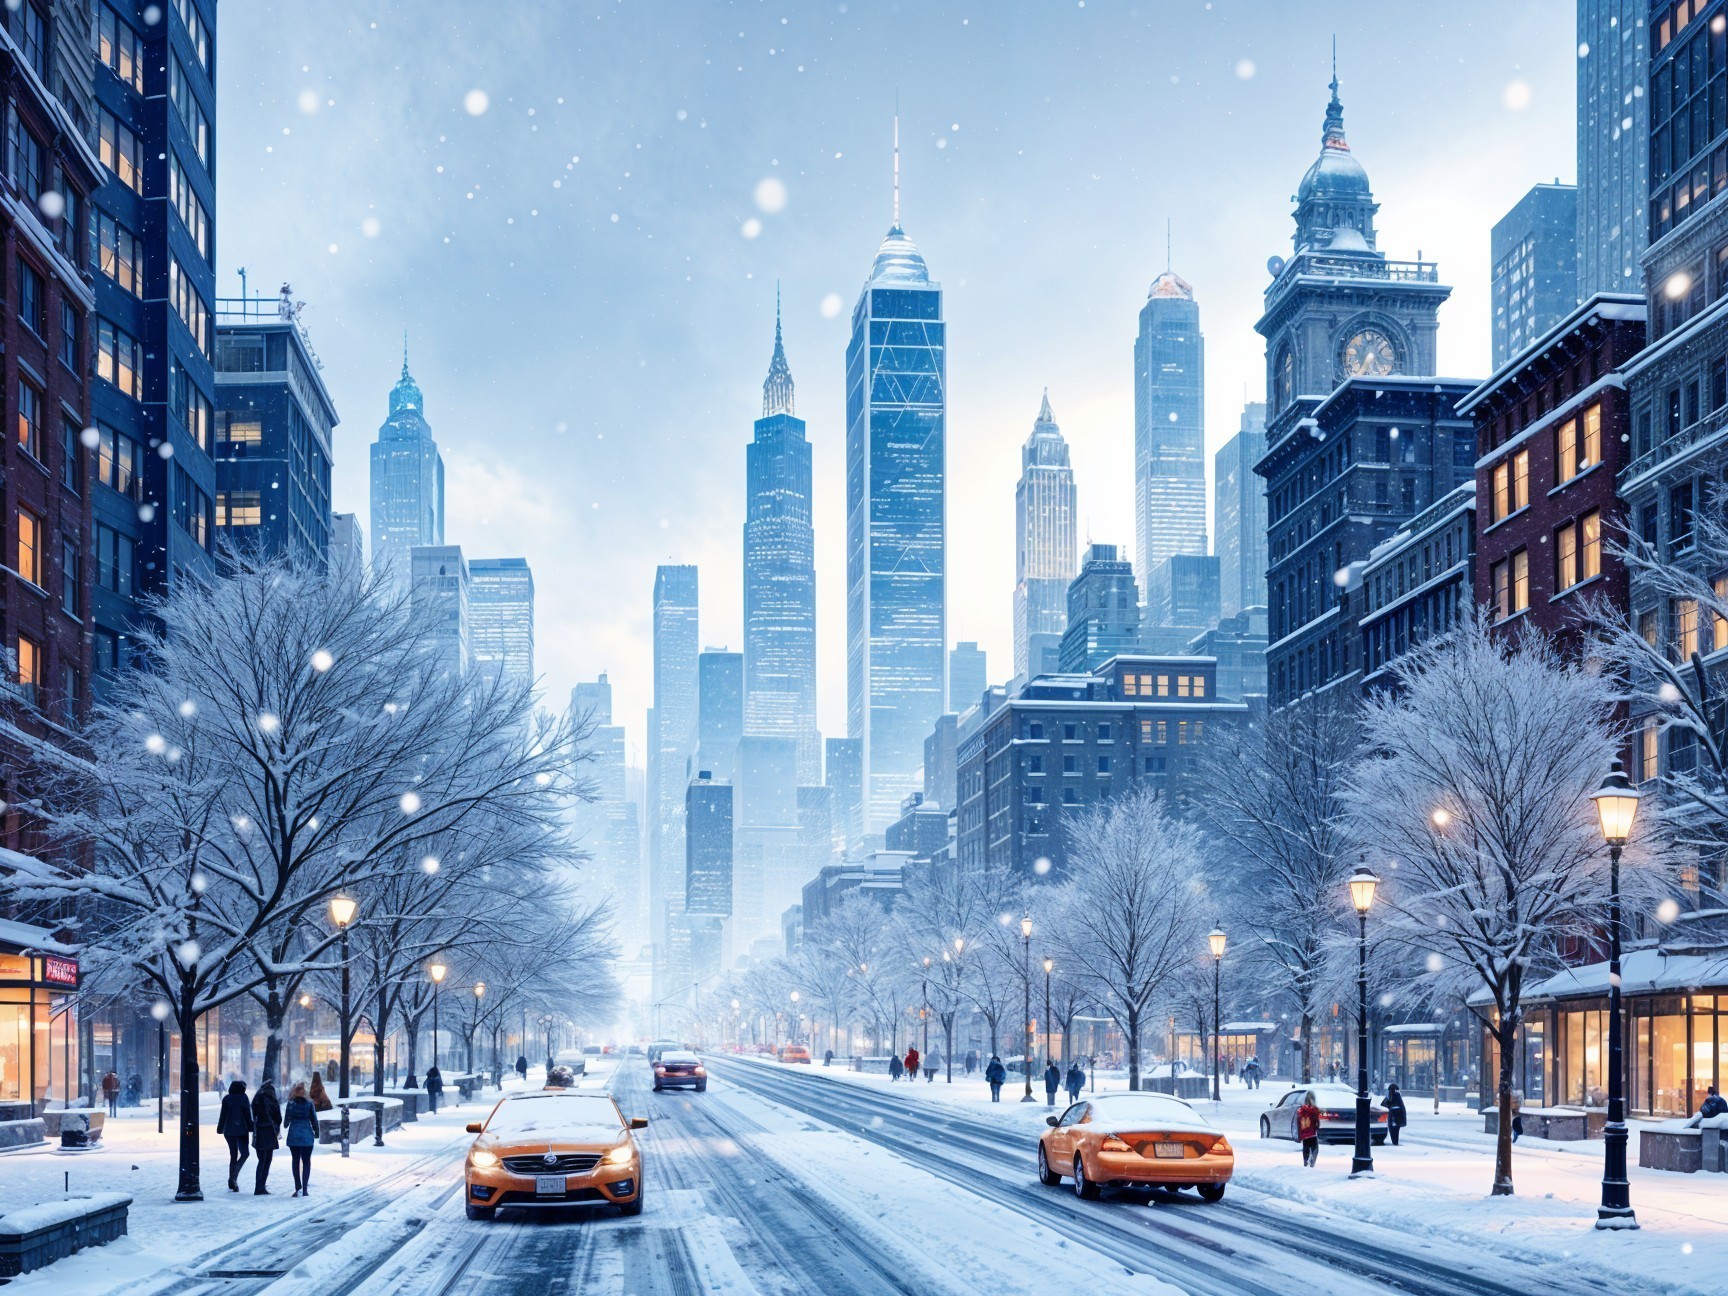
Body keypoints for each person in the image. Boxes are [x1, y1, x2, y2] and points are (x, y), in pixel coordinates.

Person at [283, 1082, 319, 1198]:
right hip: (307, 1135)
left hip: (294, 1136)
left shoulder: (291, 1104)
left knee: (295, 1161)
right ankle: (305, 1189)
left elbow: (286, 1123)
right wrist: (316, 1131)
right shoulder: (309, 1103)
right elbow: (314, 1119)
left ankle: (298, 1188)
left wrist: (290, 1119)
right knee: (306, 1161)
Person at [216, 1080, 253, 1192]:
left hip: (228, 1131)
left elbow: (223, 1115)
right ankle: (233, 1178)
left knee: (233, 1155)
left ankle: (232, 1179)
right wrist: (251, 1127)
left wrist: (220, 1128)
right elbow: (247, 1114)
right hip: (241, 1130)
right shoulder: (244, 1098)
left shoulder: (226, 1099)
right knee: (245, 1154)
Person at [251, 1078, 281, 1195]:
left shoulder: (257, 1097)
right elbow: (278, 1116)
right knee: (267, 1159)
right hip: (269, 1130)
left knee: (261, 1159)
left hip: (258, 1131)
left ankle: (259, 1185)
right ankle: (260, 1186)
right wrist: (276, 1126)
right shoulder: (271, 1097)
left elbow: (253, 1112)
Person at [1296, 1091, 1322, 1167]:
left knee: (1306, 1147)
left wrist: (1299, 1135)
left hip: (1304, 1134)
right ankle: (1312, 1162)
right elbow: (1317, 1121)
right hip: (1312, 1133)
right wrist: (1317, 1127)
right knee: (1315, 1148)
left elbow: (1298, 1123)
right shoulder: (1314, 1109)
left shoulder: (1300, 1110)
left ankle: (1306, 1161)